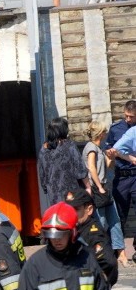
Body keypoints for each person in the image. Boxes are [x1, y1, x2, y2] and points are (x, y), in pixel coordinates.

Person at [82, 120, 127, 267]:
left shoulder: (98, 148)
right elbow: (92, 168)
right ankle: (97, 253)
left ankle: (121, 253)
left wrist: (112, 159)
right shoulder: (91, 148)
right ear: (101, 133)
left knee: (114, 221)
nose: (107, 134)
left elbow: (104, 168)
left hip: (105, 189)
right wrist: (100, 187)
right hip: (98, 191)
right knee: (100, 223)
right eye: (105, 132)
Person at [104, 100, 136, 260]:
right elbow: (109, 150)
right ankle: (118, 250)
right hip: (122, 176)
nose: (128, 119)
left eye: (131, 117)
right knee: (119, 214)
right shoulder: (116, 129)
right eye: (126, 116)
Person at [37, 116, 91, 206]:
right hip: (71, 194)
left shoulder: (43, 150)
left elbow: (42, 176)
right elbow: (80, 169)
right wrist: (88, 187)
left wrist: (46, 189)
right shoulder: (69, 145)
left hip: (54, 197)